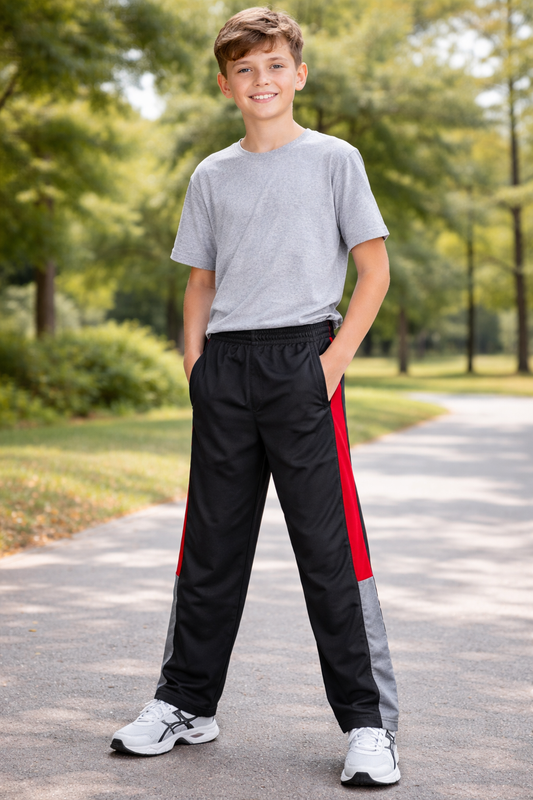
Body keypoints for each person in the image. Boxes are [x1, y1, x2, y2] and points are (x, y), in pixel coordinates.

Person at [111, 7, 400, 786]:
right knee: (209, 547)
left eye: (274, 65)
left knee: (328, 550)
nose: (261, 80)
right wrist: (194, 365)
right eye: (245, 70)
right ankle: (185, 703)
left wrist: (330, 365)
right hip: (226, 372)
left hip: (304, 361)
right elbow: (200, 282)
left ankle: (368, 725)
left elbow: (372, 270)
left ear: (298, 74)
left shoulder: (335, 160)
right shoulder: (211, 174)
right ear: (225, 83)